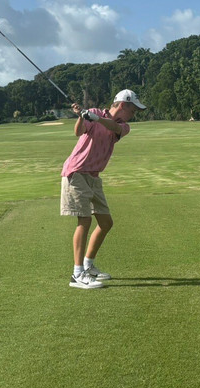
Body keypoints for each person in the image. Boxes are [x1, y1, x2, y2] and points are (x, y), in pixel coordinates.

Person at [60, 88, 147, 289]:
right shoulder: (94, 113)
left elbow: (113, 128)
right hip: (77, 172)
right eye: (132, 111)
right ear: (123, 105)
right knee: (84, 220)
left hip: (94, 176)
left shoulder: (122, 126)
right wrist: (83, 117)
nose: (132, 116)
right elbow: (78, 132)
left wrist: (94, 118)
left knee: (106, 222)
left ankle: (89, 266)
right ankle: (77, 273)